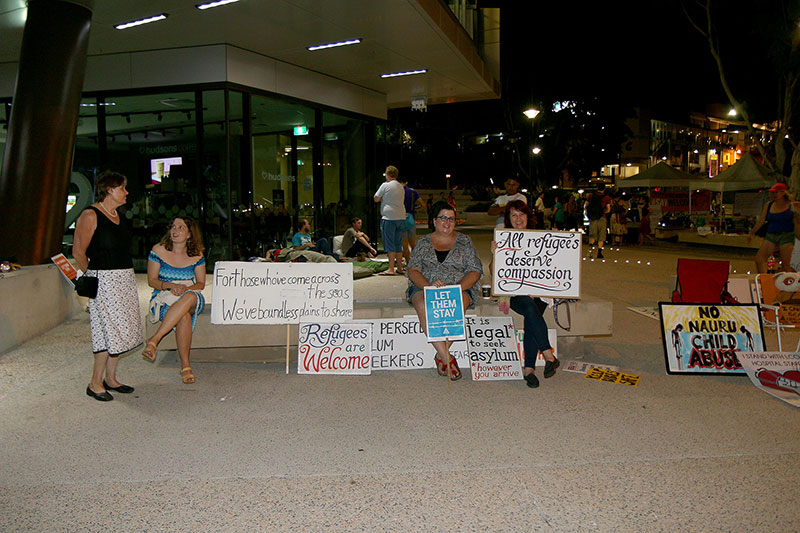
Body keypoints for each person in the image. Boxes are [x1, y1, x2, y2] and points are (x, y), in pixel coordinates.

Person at [72, 170, 143, 402]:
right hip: (104, 281)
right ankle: (95, 383)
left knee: (122, 330)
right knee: (107, 331)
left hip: (124, 279)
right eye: (123, 188)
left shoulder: (119, 215)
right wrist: (94, 275)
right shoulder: (90, 215)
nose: (126, 192)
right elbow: (78, 253)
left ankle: (111, 379)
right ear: (110, 190)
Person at [406, 201, 483, 381]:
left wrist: (457, 288)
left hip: (459, 287)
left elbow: (475, 270)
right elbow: (413, 270)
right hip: (425, 286)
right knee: (425, 306)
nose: (447, 222)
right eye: (443, 218)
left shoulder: (465, 241)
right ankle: (447, 358)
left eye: (451, 219)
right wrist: (428, 286)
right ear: (434, 221)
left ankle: (441, 357)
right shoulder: (423, 242)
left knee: (456, 306)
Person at [491, 200, 559, 388]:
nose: (518, 219)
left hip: (539, 292)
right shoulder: (503, 239)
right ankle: (548, 355)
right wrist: (495, 254)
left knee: (532, 315)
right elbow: (494, 272)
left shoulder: (540, 237)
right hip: (514, 293)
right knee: (530, 308)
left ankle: (529, 369)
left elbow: (552, 267)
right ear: (508, 219)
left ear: (528, 217)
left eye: (522, 214)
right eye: (514, 215)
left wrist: (557, 244)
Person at [141, 218, 207, 384]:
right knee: (183, 317)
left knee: (190, 297)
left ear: (190, 234)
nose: (175, 230)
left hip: (190, 296)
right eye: (173, 227)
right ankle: (185, 366)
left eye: (181, 227)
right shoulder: (158, 251)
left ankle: (155, 339)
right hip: (164, 297)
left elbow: (201, 283)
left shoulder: (197, 254)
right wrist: (169, 286)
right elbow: (152, 280)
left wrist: (185, 289)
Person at [748, 182, 798, 273]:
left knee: (786, 265)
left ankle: (791, 284)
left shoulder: (791, 205)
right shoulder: (769, 205)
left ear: (783, 193)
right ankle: (764, 280)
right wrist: (752, 233)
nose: (774, 195)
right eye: (772, 192)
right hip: (771, 235)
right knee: (759, 260)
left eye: (776, 192)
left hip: (786, 236)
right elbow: (761, 220)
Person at [373, 165, 406, 275]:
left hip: (389, 217)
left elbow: (376, 198)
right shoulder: (401, 186)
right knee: (398, 243)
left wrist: (383, 198)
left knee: (389, 243)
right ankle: (400, 268)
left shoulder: (385, 185)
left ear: (387, 174)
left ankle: (391, 268)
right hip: (401, 217)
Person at [400, 177, 426, 266]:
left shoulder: (398, 192)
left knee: (404, 244)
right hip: (411, 218)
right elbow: (423, 204)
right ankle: (417, 263)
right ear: (406, 182)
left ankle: (408, 264)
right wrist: (415, 208)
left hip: (401, 218)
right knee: (412, 243)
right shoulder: (412, 192)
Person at [586, 184, 611, 258]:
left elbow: (586, 205)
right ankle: (599, 252)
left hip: (593, 218)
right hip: (601, 218)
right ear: (604, 189)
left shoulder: (591, 196)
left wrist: (589, 213)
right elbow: (608, 209)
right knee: (601, 235)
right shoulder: (606, 198)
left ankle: (590, 251)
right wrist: (603, 212)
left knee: (592, 234)